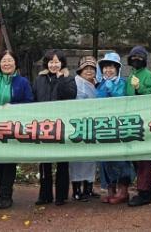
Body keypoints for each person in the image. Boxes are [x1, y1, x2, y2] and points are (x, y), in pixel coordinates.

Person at [0, 50, 34, 209]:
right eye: (3, 61)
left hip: (13, 127)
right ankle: (2, 193)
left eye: (10, 60)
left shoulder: (22, 82)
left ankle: (6, 196)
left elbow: (29, 102)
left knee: (9, 161)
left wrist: (13, 106)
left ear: (15, 63)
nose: (7, 63)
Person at [32, 49, 77, 206]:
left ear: (62, 63)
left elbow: (71, 95)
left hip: (62, 126)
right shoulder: (39, 79)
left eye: (57, 62)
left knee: (62, 162)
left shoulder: (69, 79)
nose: (54, 65)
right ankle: (44, 195)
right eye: (51, 62)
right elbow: (34, 98)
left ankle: (61, 196)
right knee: (44, 163)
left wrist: (61, 79)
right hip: (43, 125)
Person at [96, 52, 132, 205]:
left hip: (120, 127)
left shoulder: (123, 83)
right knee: (105, 159)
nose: (108, 70)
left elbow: (125, 101)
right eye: (105, 67)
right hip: (103, 127)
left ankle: (123, 191)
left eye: (111, 67)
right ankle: (110, 189)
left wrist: (112, 90)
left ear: (117, 68)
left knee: (121, 159)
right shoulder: (99, 84)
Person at [124, 46, 151, 207]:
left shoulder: (148, 75)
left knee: (143, 158)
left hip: (145, 121)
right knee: (137, 159)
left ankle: (144, 193)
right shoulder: (131, 75)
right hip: (132, 121)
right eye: (133, 57)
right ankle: (149, 190)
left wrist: (139, 88)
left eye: (139, 57)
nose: (136, 59)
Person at [68, 55, 100, 202]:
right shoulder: (76, 83)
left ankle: (88, 189)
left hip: (93, 126)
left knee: (91, 158)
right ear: (80, 70)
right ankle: (76, 190)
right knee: (77, 159)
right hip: (78, 126)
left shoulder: (97, 84)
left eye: (92, 68)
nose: (89, 71)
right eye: (86, 68)